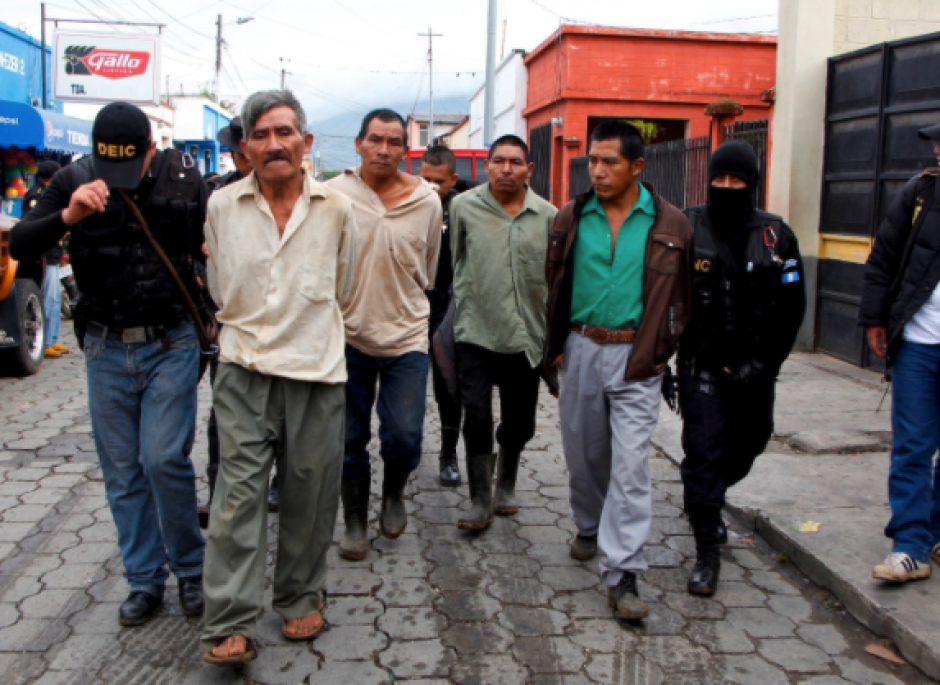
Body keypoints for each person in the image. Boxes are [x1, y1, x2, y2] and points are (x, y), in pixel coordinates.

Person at [11, 102, 209, 626]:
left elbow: (219, 239)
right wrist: (68, 216)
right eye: (108, 164)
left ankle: (192, 569)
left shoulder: (185, 178)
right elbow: (21, 241)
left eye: (132, 163)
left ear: (151, 148)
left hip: (172, 340)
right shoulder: (75, 178)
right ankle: (144, 580)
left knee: (163, 457)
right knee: (123, 471)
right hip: (104, 347)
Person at [201, 90, 358, 664]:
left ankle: (298, 597)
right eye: (261, 135)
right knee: (237, 496)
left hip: (316, 369)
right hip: (243, 368)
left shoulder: (337, 208)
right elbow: (221, 286)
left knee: (310, 493)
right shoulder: (222, 206)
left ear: (306, 143)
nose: (274, 144)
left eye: (284, 132)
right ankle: (230, 620)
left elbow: (344, 285)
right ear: (245, 147)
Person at [543, 120, 693, 621]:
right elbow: (554, 282)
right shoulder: (571, 217)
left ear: (637, 166)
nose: (599, 171)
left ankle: (624, 571)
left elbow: (683, 298)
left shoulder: (670, 224)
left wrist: (662, 349)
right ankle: (589, 526)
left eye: (610, 162)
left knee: (630, 468)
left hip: (638, 357)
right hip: (581, 349)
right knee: (585, 458)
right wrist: (558, 348)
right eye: (593, 161)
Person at [678, 140, 805, 597]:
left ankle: (708, 494)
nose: (727, 188)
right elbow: (667, 296)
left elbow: (792, 308)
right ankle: (706, 548)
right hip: (702, 363)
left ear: (752, 184)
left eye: (737, 181)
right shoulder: (688, 227)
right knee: (704, 450)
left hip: (756, 365)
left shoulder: (777, 236)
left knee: (750, 442)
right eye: (719, 180)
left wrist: (764, 364)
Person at [327, 109, 442, 561]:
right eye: (375, 140)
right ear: (358, 144)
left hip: (406, 337)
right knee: (348, 438)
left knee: (404, 436)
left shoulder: (427, 201)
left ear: (405, 150)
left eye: (394, 142)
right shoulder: (334, 195)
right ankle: (354, 520)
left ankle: (393, 493)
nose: (383, 149)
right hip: (346, 337)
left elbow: (428, 270)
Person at [450, 135, 557, 531]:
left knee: (521, 423)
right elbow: (454, 260)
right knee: (475, 414)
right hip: (475, 330)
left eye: (515, 162)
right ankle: (480, 500)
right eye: (498, 161)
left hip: (525, 335)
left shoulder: (548, 216)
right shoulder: (463, 207)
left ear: (529, 170)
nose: (506, 169)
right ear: (487, 166)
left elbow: (552, 278)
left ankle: (506, 480)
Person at [859, 122, 940, 583]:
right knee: (913, 445)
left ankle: (935, 533)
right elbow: (883, 259)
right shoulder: (919, 195)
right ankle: (910, 543)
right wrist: (874, 319)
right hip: (920, 344)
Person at [197, 116, 265, 529]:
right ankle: (218, 487)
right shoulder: (217, 194)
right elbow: (203, 260)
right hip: (229, 324)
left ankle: (276, 486)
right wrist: (209, 317)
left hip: (282, 328)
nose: (242, 159)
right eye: (238, 151)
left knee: (286, 415)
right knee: (223, 414)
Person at [418, 145, 462, 486]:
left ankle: (448, 454)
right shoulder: (409, 204)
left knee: (448, 386)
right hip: (408, 308)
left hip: (446, 308)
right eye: (425, 179)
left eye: (438, 181)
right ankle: (405, 450)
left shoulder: (462, 208)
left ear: (452, 181)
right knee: (407, 384)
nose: (431, 186)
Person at [24, 160, 68, 359]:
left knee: (55, 298)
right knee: (49, 298)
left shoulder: (51, 195)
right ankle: (46, 341)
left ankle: (53, 338)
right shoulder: (37, 196)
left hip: (54, 253)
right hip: (44, 255)